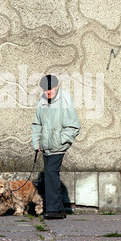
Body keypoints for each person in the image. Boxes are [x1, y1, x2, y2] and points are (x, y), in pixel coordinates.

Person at [31, 75, 80, 219]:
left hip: (58, 146)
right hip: (45, 147)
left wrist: (61, 140)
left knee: (51, 173)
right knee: (50, 176)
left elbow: (74, 126)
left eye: (51, 88)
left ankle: (53, 210)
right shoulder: (42, 100)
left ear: (57, 86)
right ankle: (58, 209)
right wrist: (37, 143)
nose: (48, 92)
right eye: (46, 89)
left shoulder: (65, 99)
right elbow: (37, 124)